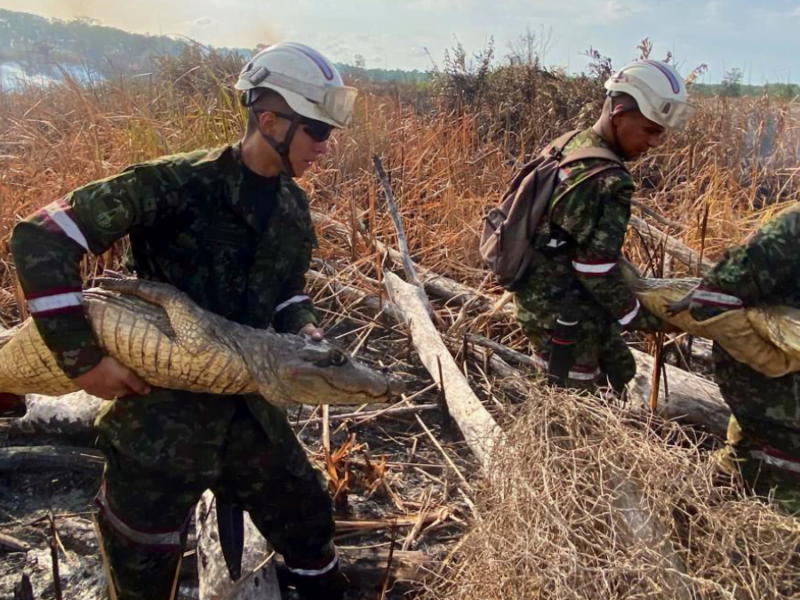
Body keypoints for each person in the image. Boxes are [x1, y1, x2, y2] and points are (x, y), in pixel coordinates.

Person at [10, 42, 358, 599]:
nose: (325, 147)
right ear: (269, 120)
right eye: (317, 131)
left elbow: (286, 296)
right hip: (158, 421)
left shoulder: (293, 211)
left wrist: (305, 328)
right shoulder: (176, 184)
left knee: (310, 526)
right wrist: (84, 362)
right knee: (141, 565)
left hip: (250, 417)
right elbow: (41, 238)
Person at [513, 60, 694, 392]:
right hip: (567, 316)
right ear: (620, 113)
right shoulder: (609, 178)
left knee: (620, 369)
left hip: (540, 301)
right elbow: (593, 267)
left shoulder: (569, 144)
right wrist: (640, 316)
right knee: (572, 406)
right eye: (651, 130)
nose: (655, 143)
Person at [667, 203, 800, 511]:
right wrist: (768, 360)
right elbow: (712, 300)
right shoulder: (791, 229)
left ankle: (702, 511)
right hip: (769, 378)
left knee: (743, 457)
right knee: (781, 473)